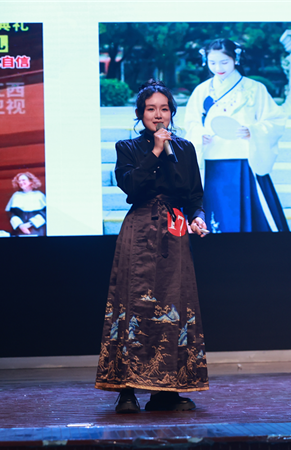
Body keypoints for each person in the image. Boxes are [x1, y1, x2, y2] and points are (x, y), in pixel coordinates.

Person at [95, 80, 209, 413]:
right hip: (140, 228)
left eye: (164, 109)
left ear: (172, 113)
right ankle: (126, 390)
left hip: (174, 230)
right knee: (134, 306)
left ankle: (166, 391)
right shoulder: (128, 147)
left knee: (173, 306)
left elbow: (194, 195)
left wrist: (197, 217)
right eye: (150, 109)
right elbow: (131, 186)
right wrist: (156, 151)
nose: (158, 115)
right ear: (140, 113)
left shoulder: (185, 148)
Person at [184, 38, 289, 233]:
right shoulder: (202, 91)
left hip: (246, 160)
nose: (218, 68)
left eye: (224, 62)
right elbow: (191, 123)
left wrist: (253, 131)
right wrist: (199, 135)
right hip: (211, 161)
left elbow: (275, 120)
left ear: (236, 59)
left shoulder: (255, 89)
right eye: (212, 62)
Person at [6, 172, 47, 236]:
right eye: (19, 181)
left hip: (36, 228)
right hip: (20, 229)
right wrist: (20, 225)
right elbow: (11, 213)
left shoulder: (39, 195)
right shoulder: (16, 195)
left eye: (23, 180)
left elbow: (45, 213)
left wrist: (30, 224)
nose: (21, 182)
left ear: (31, 181)